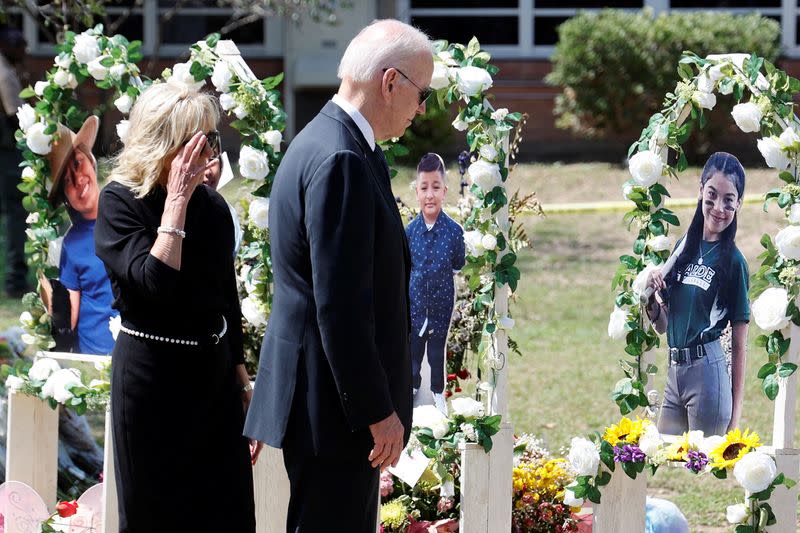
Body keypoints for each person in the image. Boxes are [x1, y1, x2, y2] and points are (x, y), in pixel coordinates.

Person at [243, 19, 433, 532]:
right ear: (390, 82)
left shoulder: (323, 138)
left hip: (323, 401)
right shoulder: (341, 157)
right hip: (336, 409)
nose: (422, 110)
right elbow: (341, 306)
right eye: (423, 94)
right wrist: (378, 411)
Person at [94, 82, 255, 533]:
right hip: (151, 383)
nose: (209, 154)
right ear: (164, 145)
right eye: (198, 142)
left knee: (228, 515)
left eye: (213, 140)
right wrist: (177, 203)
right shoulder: (119, 202)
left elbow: (226, 296)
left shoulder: (215, 207)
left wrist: (241, 379)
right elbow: (156, 283)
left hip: (213, 378)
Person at [646, 152, 749, 437]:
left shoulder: (734, 263)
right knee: (661, 455)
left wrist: (736, 417)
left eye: (729, 200)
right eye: (712, 194)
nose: (719, 207)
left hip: (707, 373)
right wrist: (652, 301)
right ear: (701, 190)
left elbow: (740, 344)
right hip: (675, 371)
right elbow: (665, 324)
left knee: (706, 465)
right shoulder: (683, 247)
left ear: (738, 204)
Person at [46, 115, 116, 354]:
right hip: (96, 356)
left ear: (91, 160)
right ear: (66, 198)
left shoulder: (128, 210)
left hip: (141, 354)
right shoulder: (72, 244)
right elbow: (69, 313)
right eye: (67, 181)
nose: (77, 180)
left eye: (77, 164)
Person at [406, 153, 465, 413]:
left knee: (436, 352)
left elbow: (458, 263)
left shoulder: (454, 232)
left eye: (436, 187)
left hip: (441, 304)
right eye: (424, 188)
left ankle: (438, 393)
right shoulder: (408, 232)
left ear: (444, 191)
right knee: (414, 352)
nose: (430, 195)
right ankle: (412, 388)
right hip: (415, 304)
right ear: (417, 192)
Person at [0, 26, 27, 298]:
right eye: (20, 45)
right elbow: (14, 116)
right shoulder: (4, 72)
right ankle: (15, 280)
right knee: (16, 217)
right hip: (7, 154)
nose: (24, 51)